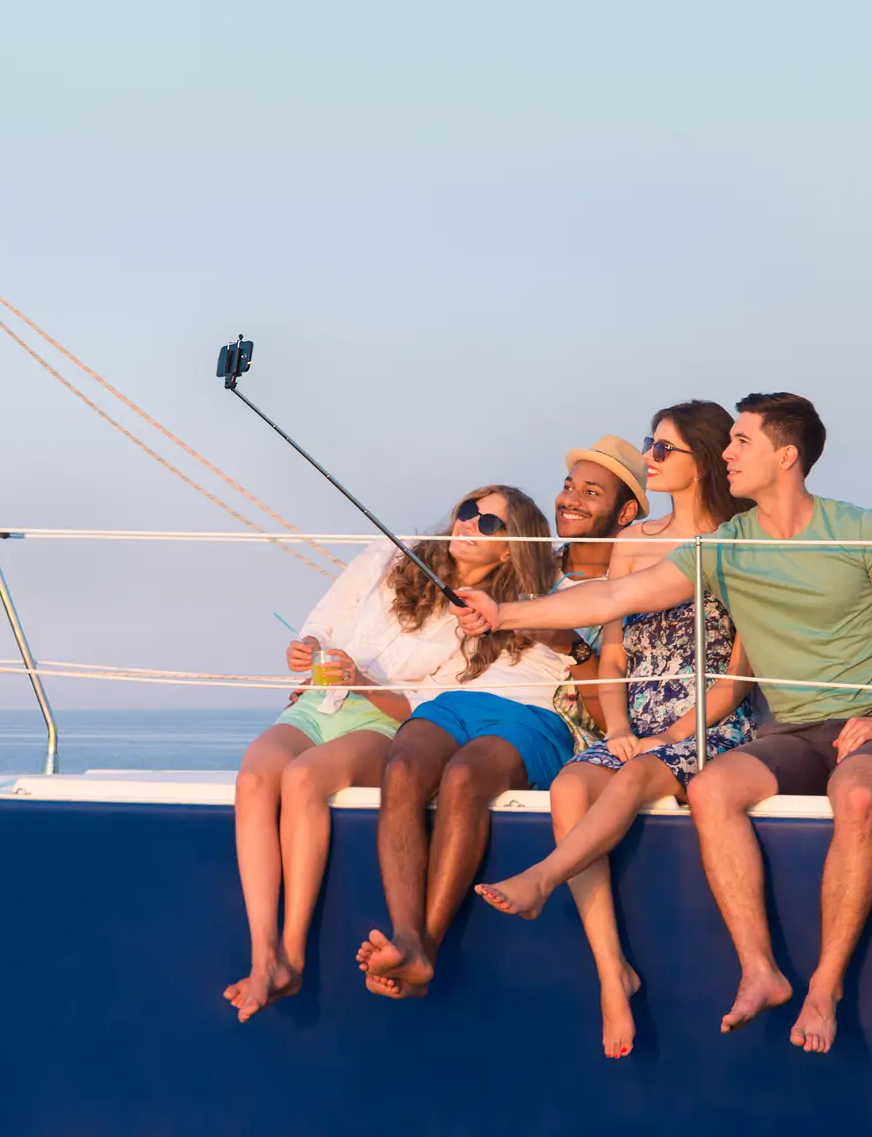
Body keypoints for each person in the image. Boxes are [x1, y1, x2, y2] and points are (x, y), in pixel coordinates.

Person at [454, 393, 872, 1053]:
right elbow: (616, 595)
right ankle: (760, 968)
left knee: (855, 794)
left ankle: (825, 986)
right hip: (793, 732)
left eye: (741, 441)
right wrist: (502, 612)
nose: (727, 453)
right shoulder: (729, 545)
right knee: (712, 787)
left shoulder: (857, 527)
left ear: (786, 455)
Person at [475, 401, 756, 1060]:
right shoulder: (633, 544)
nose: (651, 459)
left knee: (628, 775)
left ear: (702, 462)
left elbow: (740, 675)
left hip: (712, 718)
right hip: (639, 719)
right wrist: (625, 722)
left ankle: (542, 879)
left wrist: (669, 735)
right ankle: (612, 971)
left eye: (662, 450)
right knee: (573, 783)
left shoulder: (740, 540)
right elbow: (612, 654)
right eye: (649, 446)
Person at [223, 485, 562, 1022]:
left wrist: (362, 682)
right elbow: (328, 614)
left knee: (304, 780)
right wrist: (308, 645)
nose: (469, 524)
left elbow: (426, 708)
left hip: (384, 720)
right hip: (321, 699)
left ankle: (291, 954)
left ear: (511, 549)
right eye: (467, 512)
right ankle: (262, 955)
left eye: (489, 524)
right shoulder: (394, 552)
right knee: (255, 779)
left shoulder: (491, 618)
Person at [357, 440, 646, 1000]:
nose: (572, 499)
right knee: (404, 766)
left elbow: (602, 705)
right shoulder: (526, 567)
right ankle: (407, 937)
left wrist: (569, 643)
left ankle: (424, 950)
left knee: (465, 778)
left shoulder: (627, 582)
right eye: (569, 486)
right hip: (465, 699)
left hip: (537, 715)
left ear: (627, 511)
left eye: (592, 492)